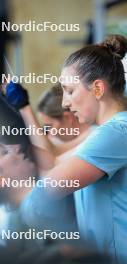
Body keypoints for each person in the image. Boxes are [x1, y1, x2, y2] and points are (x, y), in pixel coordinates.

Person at [13, 34, 127, 264]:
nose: (65, 102)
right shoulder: (107, 132)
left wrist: (14, 196)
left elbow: (40, 199)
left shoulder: (117, 132)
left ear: (97, 88)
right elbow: (55, 162)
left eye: (70, 91)